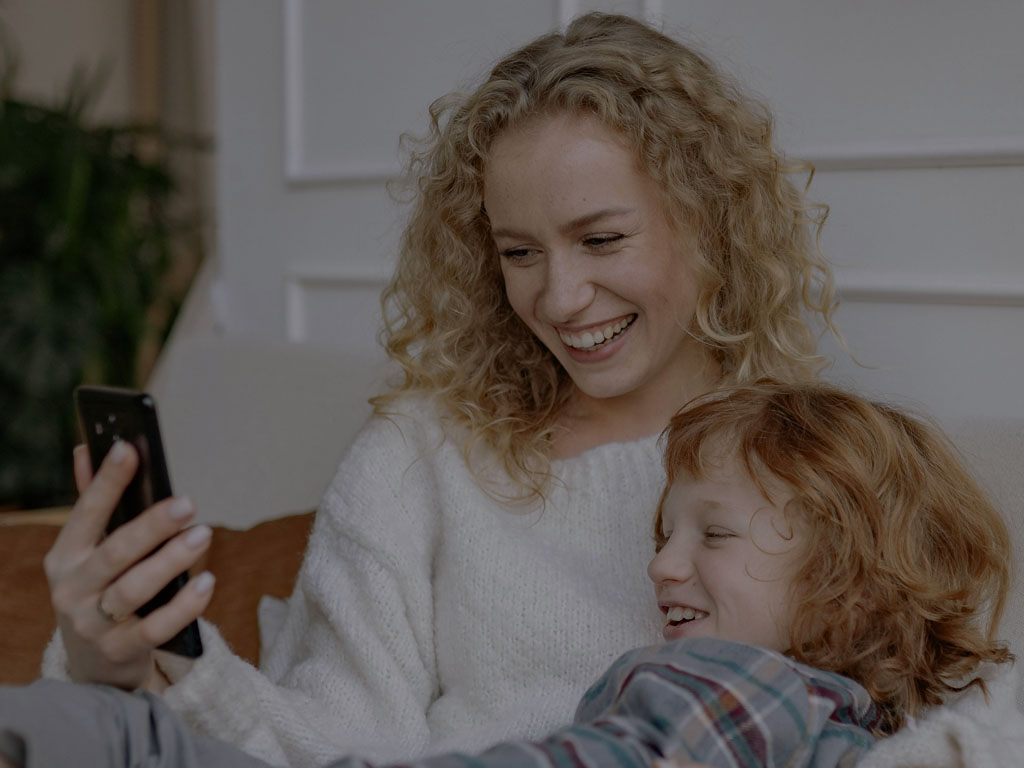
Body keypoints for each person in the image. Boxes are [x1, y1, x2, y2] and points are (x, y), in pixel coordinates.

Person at [38, 12, 838, 768]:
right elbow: (335, 743)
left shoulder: (805, 456)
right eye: (519, 253)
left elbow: (874, 705)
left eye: (600, 239)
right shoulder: (423, 452)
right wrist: (136, 667)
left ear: (710, 221)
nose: (560, 300)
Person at [4, 381, 1016, 768]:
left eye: (710, 536)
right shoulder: (789, 702)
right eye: (663, 532)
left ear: (846, 586)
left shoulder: (743, 687)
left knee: (109, 738)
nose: (661, 563)